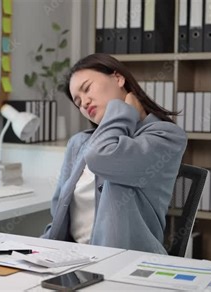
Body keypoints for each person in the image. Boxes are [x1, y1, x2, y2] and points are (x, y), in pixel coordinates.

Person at [41, 53, 187, 254]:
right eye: (77, 101)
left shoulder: (166, 137)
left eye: (87, 88)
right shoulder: (79, 143)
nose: (84, 102)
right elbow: (58, 215)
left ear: (118, 78)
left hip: (126, 264)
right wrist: (37, 251)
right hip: (73, 260)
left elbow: (102, 156)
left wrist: (123, 111)